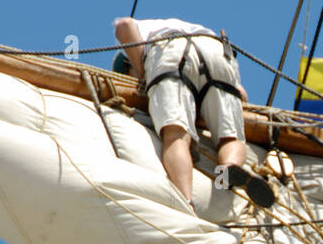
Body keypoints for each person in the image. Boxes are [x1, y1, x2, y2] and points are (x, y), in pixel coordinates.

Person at [112, 16, 274, 209]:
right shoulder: (185, 27)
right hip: (218, 51)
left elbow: (124, 24)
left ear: (127, 65)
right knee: (230, 138)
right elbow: (242, 96)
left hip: (169, 53)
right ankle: (228, 169)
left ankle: (185, 202)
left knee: (176, 135)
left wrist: (144, 74)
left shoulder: (139, 44)